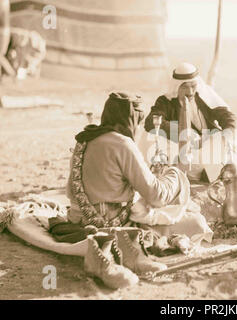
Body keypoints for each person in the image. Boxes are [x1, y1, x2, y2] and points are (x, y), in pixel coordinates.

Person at [64, 92, 212, 287]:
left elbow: (71, 191)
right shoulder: (123, 143)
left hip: (78, 218)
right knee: (196, 223)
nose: (138, 127)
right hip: (111, 221)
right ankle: (129, 250)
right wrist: (174, 174)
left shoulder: (85, 139)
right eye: (138, 121)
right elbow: (156, 195)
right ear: (130, 119)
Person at [144, 62, 237, 181]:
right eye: (185, 87)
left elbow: (228, 116)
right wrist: (185, 133)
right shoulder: (165, 102)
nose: (190, 92)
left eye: (193, 86)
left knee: (233, 144)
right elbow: (150, 122)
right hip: (185, 151)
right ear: (176, 86)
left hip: (209, 146)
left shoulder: (203, 96)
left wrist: (227, 135)